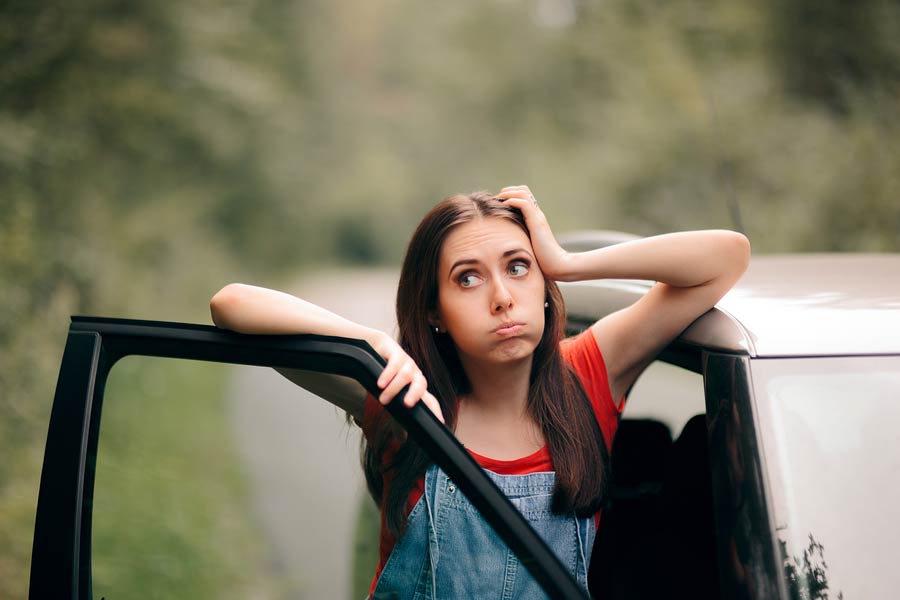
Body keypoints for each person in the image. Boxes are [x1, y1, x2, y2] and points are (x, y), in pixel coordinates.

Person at [209, 185, 750, 599]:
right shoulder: (404, 395)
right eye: (467, 278)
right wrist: (367, 342)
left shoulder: (588, 372)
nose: (501, 298)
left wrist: (565, 262)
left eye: (519, 269)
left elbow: (725, 257)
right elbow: (232, 304)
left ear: (542, 288)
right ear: (433, 311)